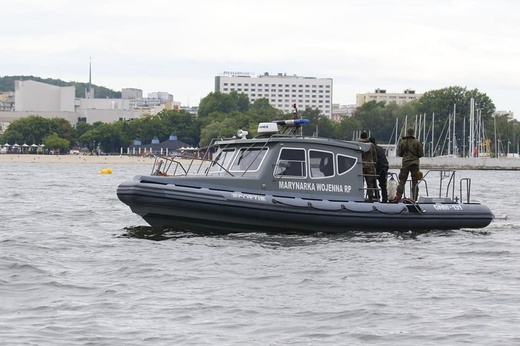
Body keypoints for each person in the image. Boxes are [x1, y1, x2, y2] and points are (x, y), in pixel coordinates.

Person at [395, 128, 424, 201]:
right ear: (413, 133)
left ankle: (398, 197)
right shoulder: (417, 142)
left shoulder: (402, 142)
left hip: (405, 163)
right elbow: (421, 154)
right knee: (415, 182)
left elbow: (399, 153)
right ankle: (414, 198)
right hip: (415, 164)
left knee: (402, 181)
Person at [369, 137, 389, 202]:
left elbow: (374, 159)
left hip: (380, 167)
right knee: (383, 184)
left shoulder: (373, 149)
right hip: (385, 166)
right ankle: (384, 198)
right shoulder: (380, 148)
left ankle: (377, 195)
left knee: (373, 181)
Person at [359, 131, 378, 201]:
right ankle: (370, 197)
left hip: (360, 166)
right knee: (370, 183)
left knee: (360, 182)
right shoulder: (371, 145)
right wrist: (374, 162)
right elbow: (375, 156)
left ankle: (360, 196)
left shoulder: (358, 144)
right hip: (370, 166)